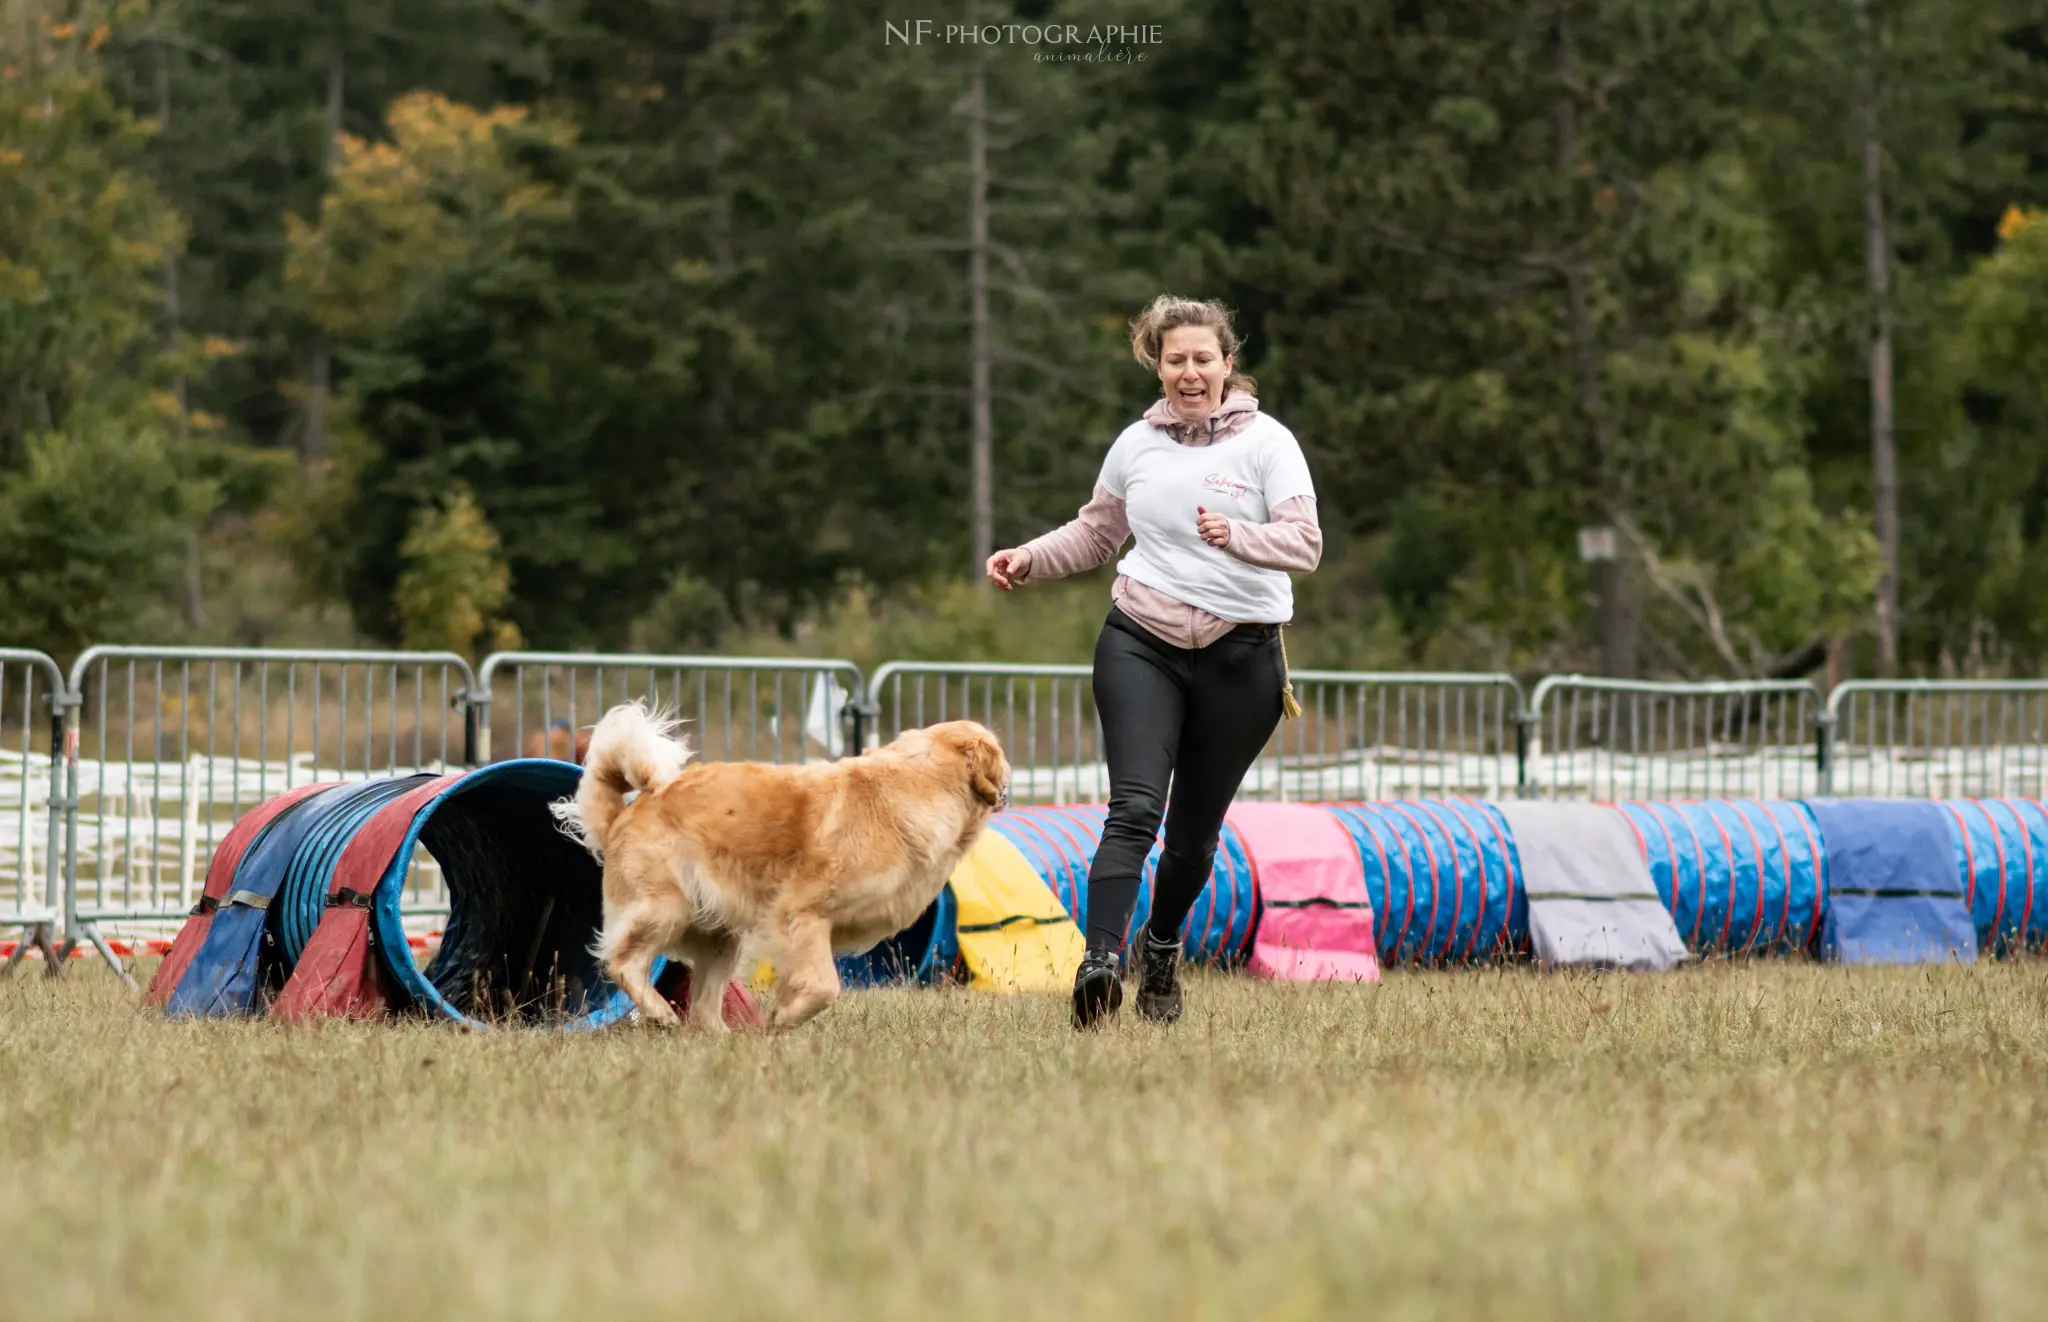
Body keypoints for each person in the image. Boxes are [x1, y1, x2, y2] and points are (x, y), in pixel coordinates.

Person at [985, 295, 1322, 1028]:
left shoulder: (1269, 443)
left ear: (1229, 365)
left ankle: (1161, 947)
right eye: (1176, 360)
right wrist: (1029, 558)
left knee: (1194, 837)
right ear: (1157, 365)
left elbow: (1305, 544)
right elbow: (1098, 531)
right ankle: (1100, 961)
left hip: (1243, 657)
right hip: (1142, 638)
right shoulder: (1136, 445)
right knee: (1134, 807)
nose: (1191, 372)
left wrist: (1238, 535)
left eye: (1205, 359)